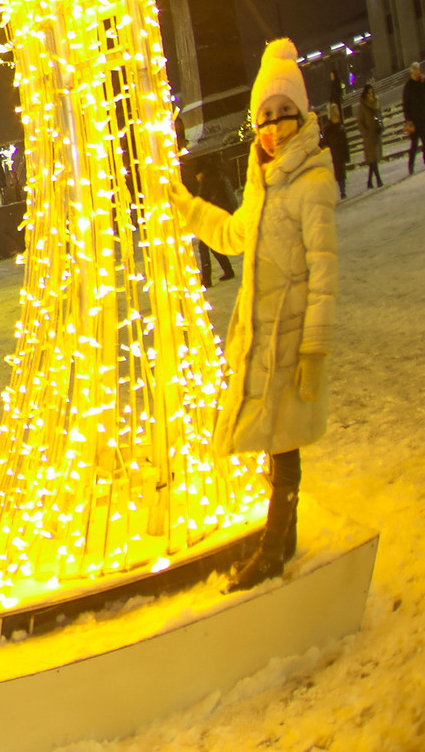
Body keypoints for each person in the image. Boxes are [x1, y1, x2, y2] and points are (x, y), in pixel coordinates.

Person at [159, 38, 336, 593]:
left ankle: (272, 550)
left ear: (301, 115)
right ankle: (284, 538)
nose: (273, 127)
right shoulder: (264, 184)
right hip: (261, 337)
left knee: (283, 445)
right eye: (265, 116)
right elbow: (235, 236)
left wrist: (313, 349)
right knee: (276, 442)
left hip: (290, 336)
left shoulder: (311, 184)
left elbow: (325, 276)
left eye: (284, 113)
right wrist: (188, 209)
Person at [320, 102, 350, 202]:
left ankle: (343, 191)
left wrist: (346, 155)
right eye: (334, 117)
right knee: (333, 175)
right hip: (332, 155)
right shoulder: (328, 129)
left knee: (341, 174)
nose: (336, 119)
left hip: (340, 154)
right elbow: (325, 142)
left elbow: (345, 142)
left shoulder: (340, 128)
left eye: (337, 117)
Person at [358, 82, 385, 190]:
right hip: (369, 136)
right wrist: (366, 133)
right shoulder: (362, 106)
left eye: (372, 92)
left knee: (373, 160)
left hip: (376, 133)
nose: (371, 95)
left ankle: (369, 182)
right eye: (369, 93)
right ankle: (379, 180)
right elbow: (360, 122)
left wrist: (381, 126)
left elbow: (380, 116)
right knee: (373, 159)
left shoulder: (376, 103)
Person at [405, 64, 425, 173]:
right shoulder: (408, 86)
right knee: (414, 145)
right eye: (415, 73)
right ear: (412, 73)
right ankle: (411, 165)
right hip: (414, 121)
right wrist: (408, 119)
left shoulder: (422, 82)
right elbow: (406, 105)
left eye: (418, 72)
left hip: (423, 119)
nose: (417, 74)